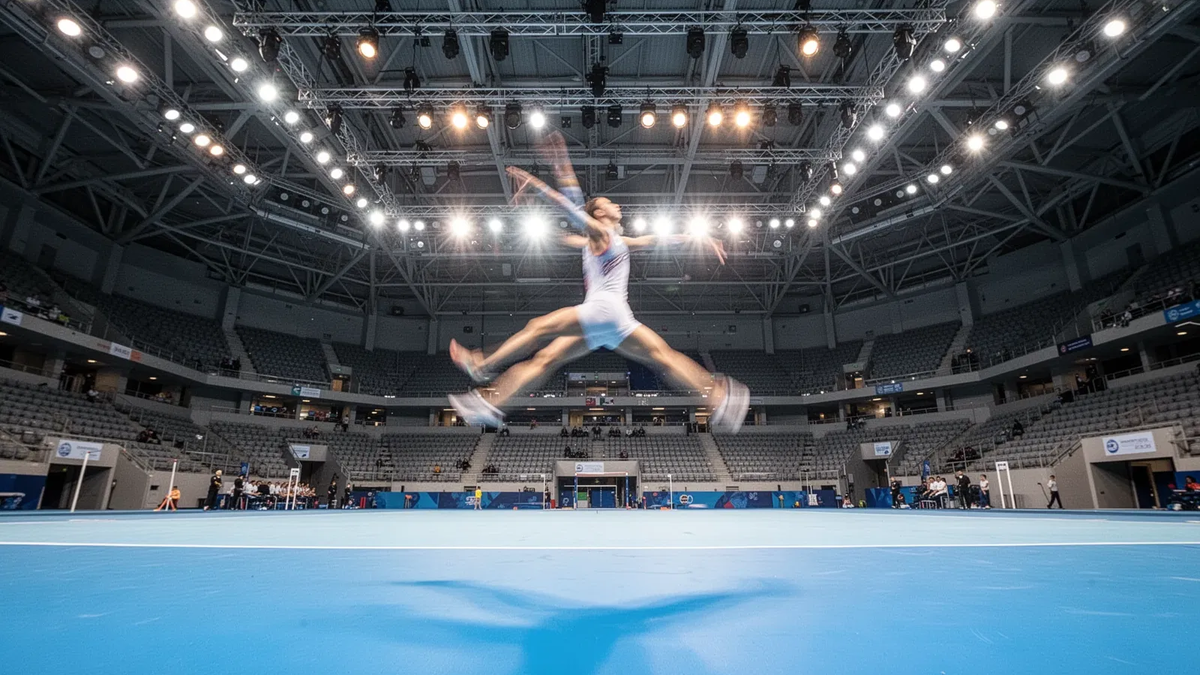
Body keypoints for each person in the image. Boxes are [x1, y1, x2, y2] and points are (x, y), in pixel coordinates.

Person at [446, 132, 749, 433]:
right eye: (611, 203)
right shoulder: (603, 236)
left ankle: (482, 365)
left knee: (537, 330)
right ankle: (721, 398)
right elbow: (572, 205)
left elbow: (577, 208)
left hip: (600, 312)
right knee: (662, 357)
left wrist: (536, 183)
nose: (618, 205)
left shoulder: (605, 236)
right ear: (601, 213)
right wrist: (560, 165)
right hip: (616, 320)